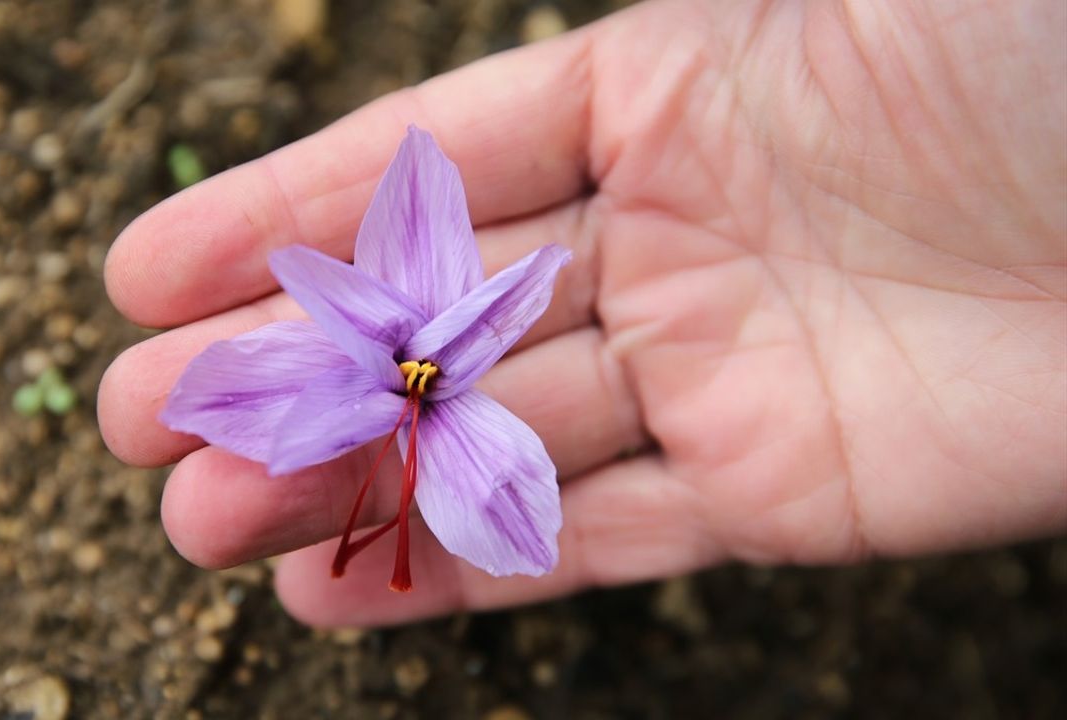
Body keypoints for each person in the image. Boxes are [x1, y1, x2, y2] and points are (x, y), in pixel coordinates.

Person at [97, 0, 1066, 626]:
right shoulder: (402, 370)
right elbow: (407, 350)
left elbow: (467, 330)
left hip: (435, 398)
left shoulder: (434, 375)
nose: (416, 374)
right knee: (256, 436)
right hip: (371, 378)